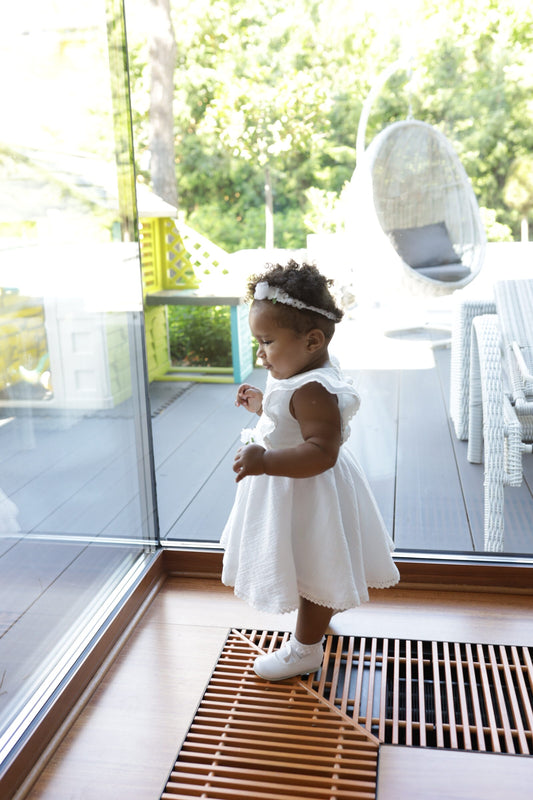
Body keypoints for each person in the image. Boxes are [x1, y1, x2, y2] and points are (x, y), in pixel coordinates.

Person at [220, 260, 399, 681]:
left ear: (312, 340)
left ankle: (305, 649)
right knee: (309, 564)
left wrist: (265, 461)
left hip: (307, 493)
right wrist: (264, 406)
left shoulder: (314, 389)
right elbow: (291, 420)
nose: (260, 353)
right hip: (295, 490)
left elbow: (320, 451)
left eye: (267, 342)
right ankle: (318, 616)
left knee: (313, 563)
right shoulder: (304, 372)